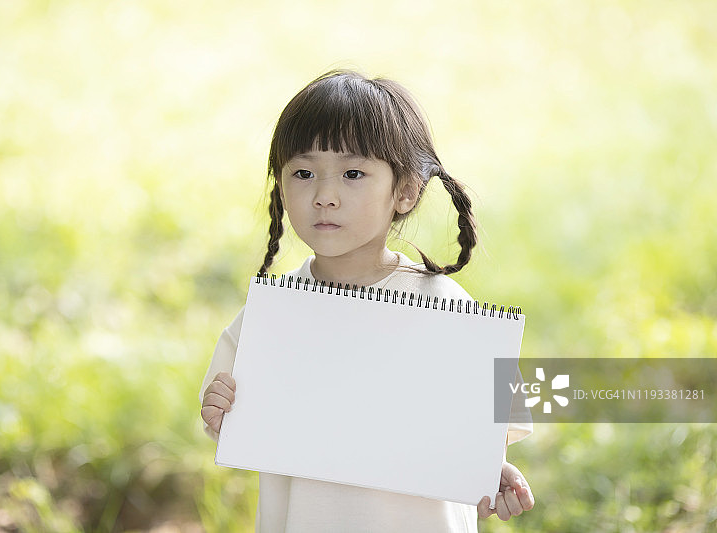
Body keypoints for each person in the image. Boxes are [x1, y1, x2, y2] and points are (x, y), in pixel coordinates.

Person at [199, 69, 534, 532]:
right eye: (303, 172)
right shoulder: (269, 318)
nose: (324, 196)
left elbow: (488, 428)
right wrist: (221, 411)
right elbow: (231, 423)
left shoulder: (447, 309)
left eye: (353, 173)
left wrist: (490, 469)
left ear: (406, 190)